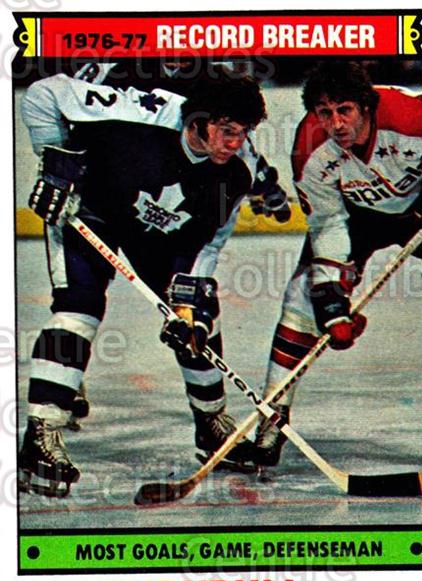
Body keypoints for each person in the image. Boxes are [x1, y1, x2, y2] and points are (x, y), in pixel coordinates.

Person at [18, 67, 283, 495]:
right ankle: (41, 435)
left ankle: (211, 423)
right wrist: (56, 165)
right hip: (91, 210)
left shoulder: (238, 173)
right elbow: (43, 94)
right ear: (197, 120)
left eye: (244, 133)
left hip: (158, 234)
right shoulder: (143, 112)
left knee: (199, 315)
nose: (236, 143)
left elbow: (206, 247)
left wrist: (187, 309)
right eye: (227, 131)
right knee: (79, 307)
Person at [254, 60, 422, 467]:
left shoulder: (414, 119)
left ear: (366, 105)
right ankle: (272, 420)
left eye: (344, 110)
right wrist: (332, 300)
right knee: (302, 298)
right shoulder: (309, 147)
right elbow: (328, 222)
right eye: (324, 112)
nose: (335, 124)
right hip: (356, 217)